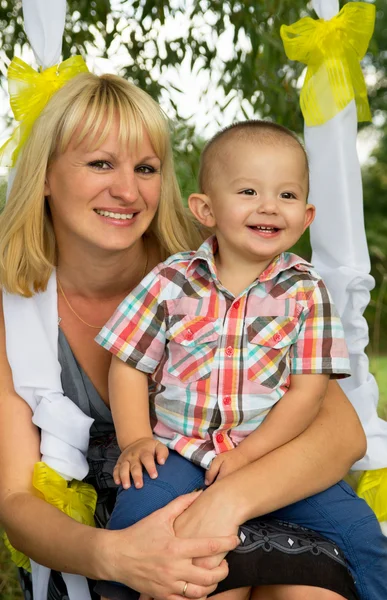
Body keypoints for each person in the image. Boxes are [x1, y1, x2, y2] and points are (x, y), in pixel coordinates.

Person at [0, 68, 377, 600]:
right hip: (116, 529)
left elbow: (338, 433)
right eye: (100, 163)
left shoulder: (224, 272)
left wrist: (226, 499)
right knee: (197, 585)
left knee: (307, 590)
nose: (127, 190)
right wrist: (117, 556)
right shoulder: (14, 316)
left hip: (248, 487)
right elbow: (16, 500)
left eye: (146, 167)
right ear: (43, 176)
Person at [96, 120, 386, 600]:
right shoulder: (171, 281)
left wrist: (249, 457)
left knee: (361, 532)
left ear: (307, 215)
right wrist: (136, 440)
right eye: (249, 190)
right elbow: (129, 363)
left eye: (287, 195)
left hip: (273, 457)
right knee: (135, 520)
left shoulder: (307, 292)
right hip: (182, 451)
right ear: (205, 208)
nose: (269, 205)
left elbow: (308, 391)